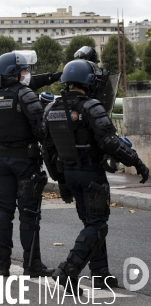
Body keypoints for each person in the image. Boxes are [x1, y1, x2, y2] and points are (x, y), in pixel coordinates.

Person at [42, 59, 149, 292]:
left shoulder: (52, 109)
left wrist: (61, 182)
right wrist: (138, 163)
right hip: (91, 174)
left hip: (69, 174)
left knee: (92, 225)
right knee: (98, 226)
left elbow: (48, 151)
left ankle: (100, 275)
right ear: (88, 82)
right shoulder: (92, 106)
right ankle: (68, 270)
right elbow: (111, 143)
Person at [0, 51, 54, 277]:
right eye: (24, 70)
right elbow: (41, 129)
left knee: (4, 213)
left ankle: (1, 264)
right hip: (25, 161)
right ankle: (31, 264)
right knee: (29, 214)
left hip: (1, 161)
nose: (27, 74)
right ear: (15, 74)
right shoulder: (25, 95)